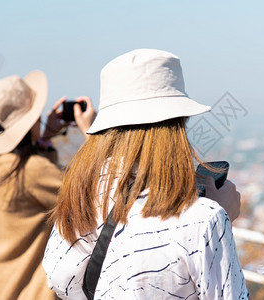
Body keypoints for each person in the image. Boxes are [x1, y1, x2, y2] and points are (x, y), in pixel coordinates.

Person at [43, 49, 249, 299]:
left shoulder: (82, 193)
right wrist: (218, 222)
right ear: (177, 123)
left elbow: (58, 278)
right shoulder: (204, 219)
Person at [0, 70, 96, 299]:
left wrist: (46, 136)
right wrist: (93, 135)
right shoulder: (31, 170)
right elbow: (92, 197)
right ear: (28, 122)